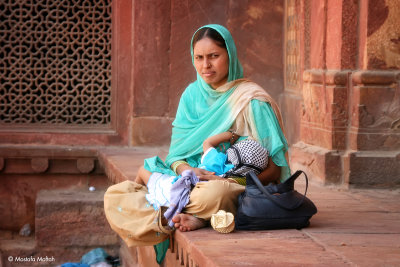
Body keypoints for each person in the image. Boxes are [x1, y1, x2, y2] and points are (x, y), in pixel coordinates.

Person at [104, 24, 290, 240]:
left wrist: (229, 181)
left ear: (229, 55)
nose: (205, 65)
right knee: (114, 195)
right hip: (189, 180)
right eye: (199, 57)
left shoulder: (251, 101)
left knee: (215, 195)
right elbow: (175, 156)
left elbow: (275, 170)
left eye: (214, 56)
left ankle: (173, 208)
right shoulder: (191, 96)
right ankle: (187, 210)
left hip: (234, 187)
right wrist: (188, 170)